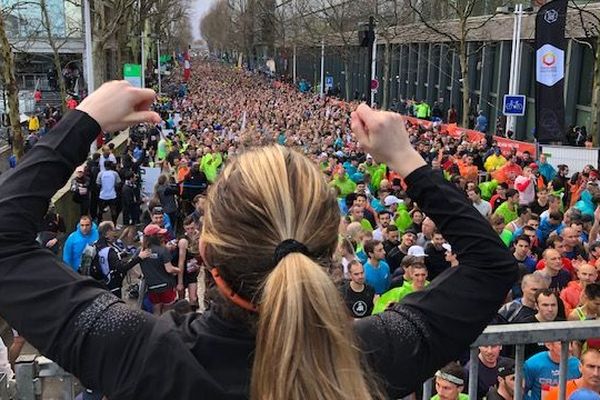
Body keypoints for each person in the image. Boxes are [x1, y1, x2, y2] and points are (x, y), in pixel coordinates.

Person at [0, 84, 517, 399]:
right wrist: (407, 160)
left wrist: (84, 120)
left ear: (206, 257)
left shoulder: (139, 353)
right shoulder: (369, 357)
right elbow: (492, 267)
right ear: (332, 252)